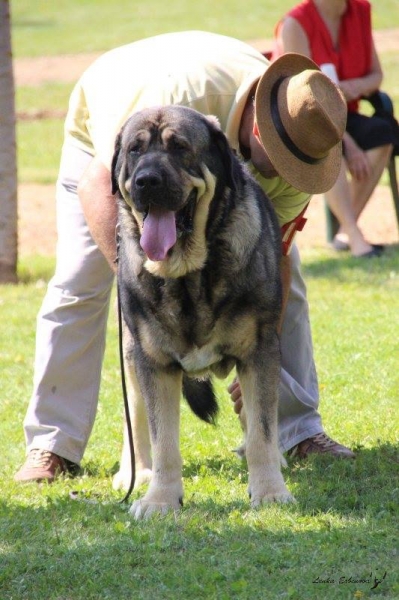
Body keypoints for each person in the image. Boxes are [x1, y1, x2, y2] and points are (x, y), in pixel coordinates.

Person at [15, 30, 355, 484]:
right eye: (274, 158)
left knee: (286, 293)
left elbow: (277, 261)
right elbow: (100, 183)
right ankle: (53, 443)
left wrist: (254, 340)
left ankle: (296, 430)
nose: (279, 171)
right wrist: (144, 293)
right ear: (257, 128)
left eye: (292, 163)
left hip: (207, 157)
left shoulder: (297, 158)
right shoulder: (168, 103)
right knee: (79, 283)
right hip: (107, 146)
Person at [272, 0, 399, 258]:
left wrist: (357, 86)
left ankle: (344, 231)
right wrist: (349, 146)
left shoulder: (360, 11)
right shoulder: (295, 24)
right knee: (331, 148)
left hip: (344, 112)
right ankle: (353, 234)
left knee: (384, 133)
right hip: (304, 118)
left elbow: (376, 75)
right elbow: (305, 98)